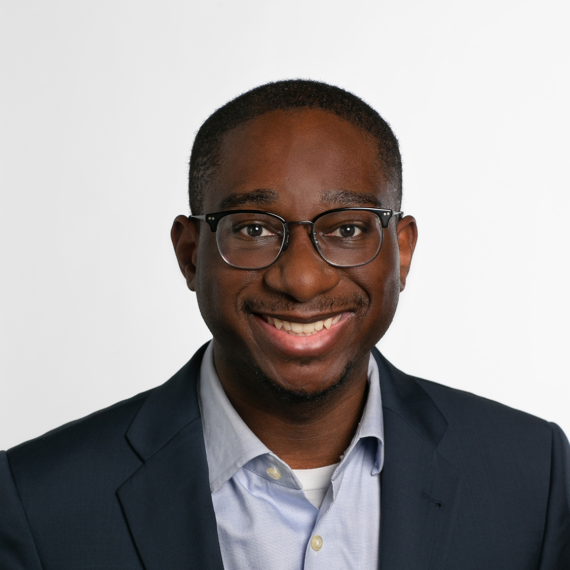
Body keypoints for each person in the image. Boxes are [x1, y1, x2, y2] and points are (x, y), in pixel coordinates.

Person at [1, 79, 569, 570]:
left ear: (402, 251)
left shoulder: (531, 475)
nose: (300, 279)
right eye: (252, 229)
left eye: (346, 229)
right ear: (190, 254)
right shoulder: (38, 500)